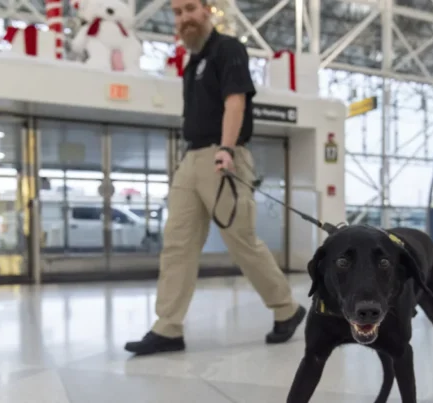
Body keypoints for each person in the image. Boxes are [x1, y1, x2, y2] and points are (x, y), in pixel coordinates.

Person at [124, 0, 306, 355]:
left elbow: (235, 102)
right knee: (177, 244)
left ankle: (286, 308)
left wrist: (226, 148)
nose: (184, 18)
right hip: (191, 159)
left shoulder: (228, 49)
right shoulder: (192, 63)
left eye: (190, 9)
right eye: (177, 13)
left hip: (223, 155)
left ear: (207, 10)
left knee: (242, 241)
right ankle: (168, 327)